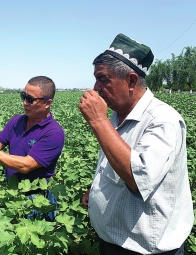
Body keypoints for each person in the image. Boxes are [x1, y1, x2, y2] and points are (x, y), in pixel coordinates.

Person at [79, 33, 194, 254]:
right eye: (96, 79)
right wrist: (95, 190)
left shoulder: (162, 120)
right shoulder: (116, 114)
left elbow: (137, 179)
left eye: (103, 79)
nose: (96, 87)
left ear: (131, 80)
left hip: (144, 249)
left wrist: (98, 121)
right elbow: (116, 160)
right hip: (113, 241)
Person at [0, 76, 65, 221]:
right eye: (23, 96)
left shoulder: (53, 133)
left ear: (47, 103)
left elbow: (26, 165)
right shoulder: (17, 121)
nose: (25, 102)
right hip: (12, 193)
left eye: (30, 99)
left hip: (37, 199)